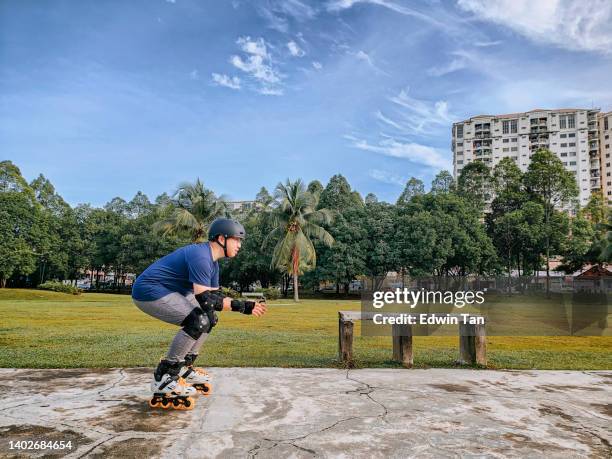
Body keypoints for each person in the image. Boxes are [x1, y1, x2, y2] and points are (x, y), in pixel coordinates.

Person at [132, 218, 267, 409]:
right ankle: (165, 376)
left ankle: (184, 368)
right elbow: (207, 299)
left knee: (209, 318)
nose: (239, 245)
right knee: (198, 320)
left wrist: (241, 305)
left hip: (172, 290)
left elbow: (213, 298)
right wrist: (243, 306)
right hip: (149, 290)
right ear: (221, 238)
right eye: (237, 240)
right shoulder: (201, 256)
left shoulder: (213, 263)